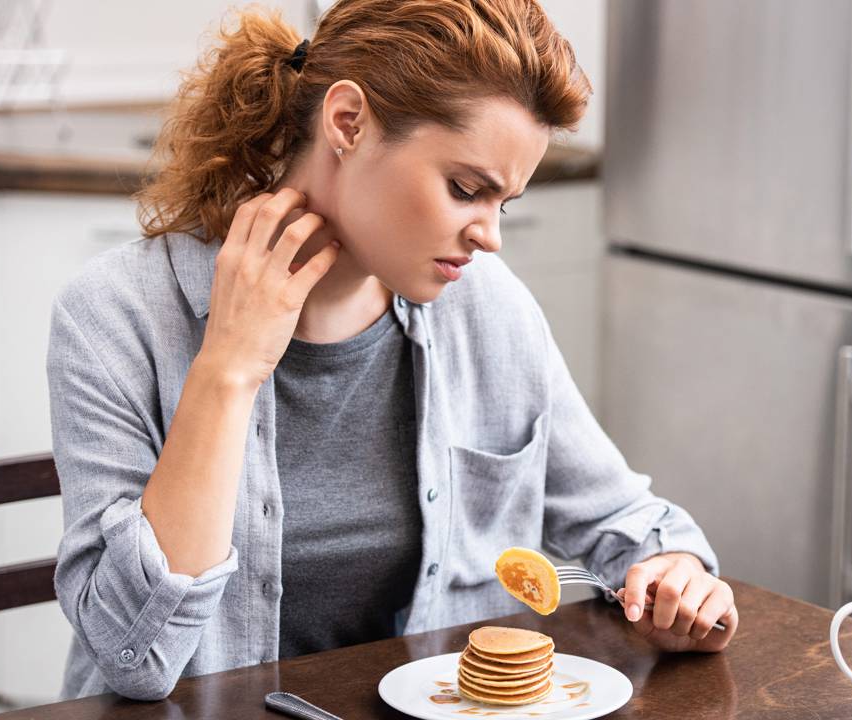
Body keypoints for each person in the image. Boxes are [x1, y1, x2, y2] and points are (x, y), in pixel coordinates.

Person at [47, 0, 737, 702]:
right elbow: (136, 659)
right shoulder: (116, 315)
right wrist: (228, 370)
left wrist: (675, 570)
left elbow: (626, 522)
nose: (489, 236)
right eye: (466, 189)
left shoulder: (486, 304)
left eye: (504, 203)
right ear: (348, 123)